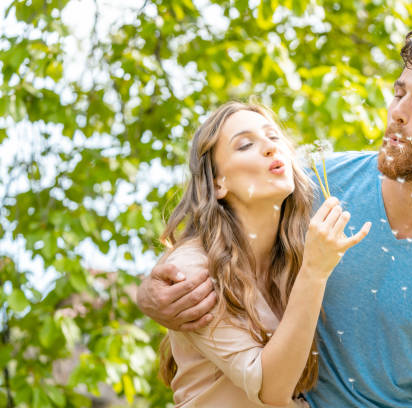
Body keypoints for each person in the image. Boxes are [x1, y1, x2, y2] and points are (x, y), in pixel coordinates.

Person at [139, 28, 412, 407]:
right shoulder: (316, 183)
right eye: (399, 93)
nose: (398, 113)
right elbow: (222, 224)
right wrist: (152, 293)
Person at [155, 100, 372, 407]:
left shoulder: (295, 252)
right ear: (218, 184)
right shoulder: (193, 271)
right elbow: (271, 388)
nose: (271, 148)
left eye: (273, 137)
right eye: (245, 145)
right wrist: (315, 270)